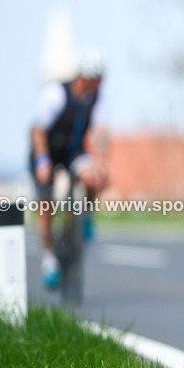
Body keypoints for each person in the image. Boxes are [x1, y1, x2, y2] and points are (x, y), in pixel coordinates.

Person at [29, 47, 109, 288]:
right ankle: (49, 258)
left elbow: (100, 132)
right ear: (83, 77)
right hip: (47, 153)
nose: (99, 84)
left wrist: (101, 162)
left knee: (93, 177)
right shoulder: (56, 94)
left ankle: (85, 216)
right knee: (46, 202)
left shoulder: (95, 97)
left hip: (73, 152)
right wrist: (42, 161)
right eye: (96, 80)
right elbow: (38, 130)